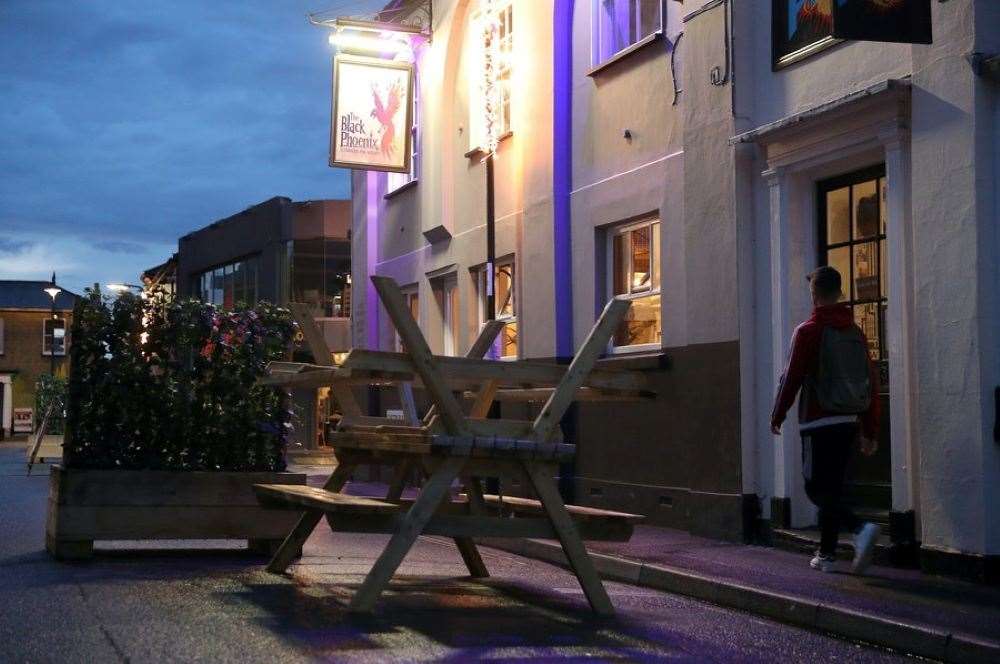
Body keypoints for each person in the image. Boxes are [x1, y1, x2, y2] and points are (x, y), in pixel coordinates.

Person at [770, 266, 881, 574]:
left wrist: (778, 414)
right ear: (840, 291)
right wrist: (870, 428)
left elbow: (791, 377)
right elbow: (870, 381)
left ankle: (859, 528)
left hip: (818, 422)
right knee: (833, 487)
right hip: (848, 420)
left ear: (814, 294)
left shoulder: (808, 331)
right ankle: (828, 554)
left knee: (815, 488)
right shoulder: (855, 331)